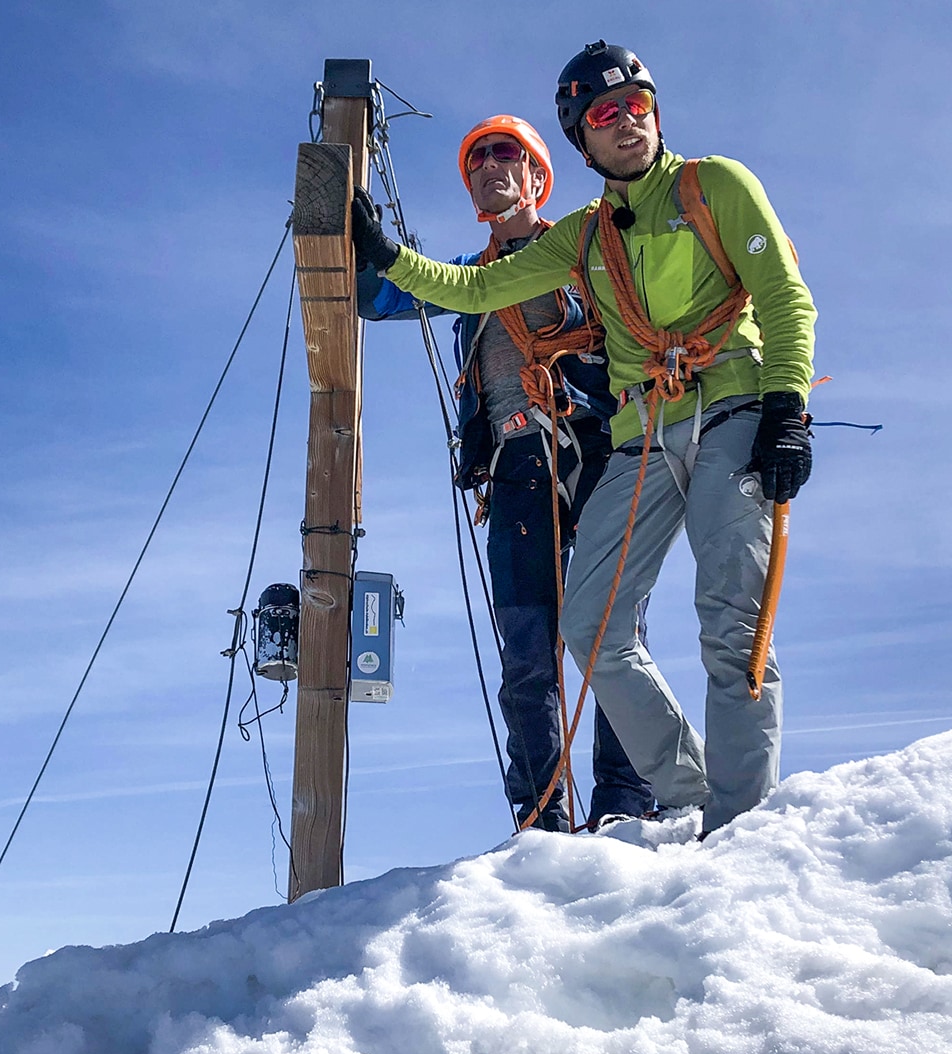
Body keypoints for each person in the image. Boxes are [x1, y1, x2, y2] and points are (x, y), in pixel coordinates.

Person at [350, 42, 817, 837]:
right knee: (585, 630)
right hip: (634, 439)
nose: (627, 119)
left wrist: (788, 408)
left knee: (731, 618)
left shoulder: (715, 187)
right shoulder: (585, 238)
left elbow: (783, 295)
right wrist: (387, 255)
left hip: (727, 410)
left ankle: (733, 825)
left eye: (637, 103)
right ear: (580, 136)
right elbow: (475, 287)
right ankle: (689, 789)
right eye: (605, 112)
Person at [358, 116, 656, 833]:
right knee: (527, 656)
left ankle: (624, 804)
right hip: (516, 470)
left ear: (537, 176)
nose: (490, 165)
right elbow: (378, 300)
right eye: (478, 160)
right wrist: (361, 238)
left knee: (613, 637)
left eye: (507, 154)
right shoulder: (468, 277)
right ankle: (540, 817)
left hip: (598, 455)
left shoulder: (589, 258)